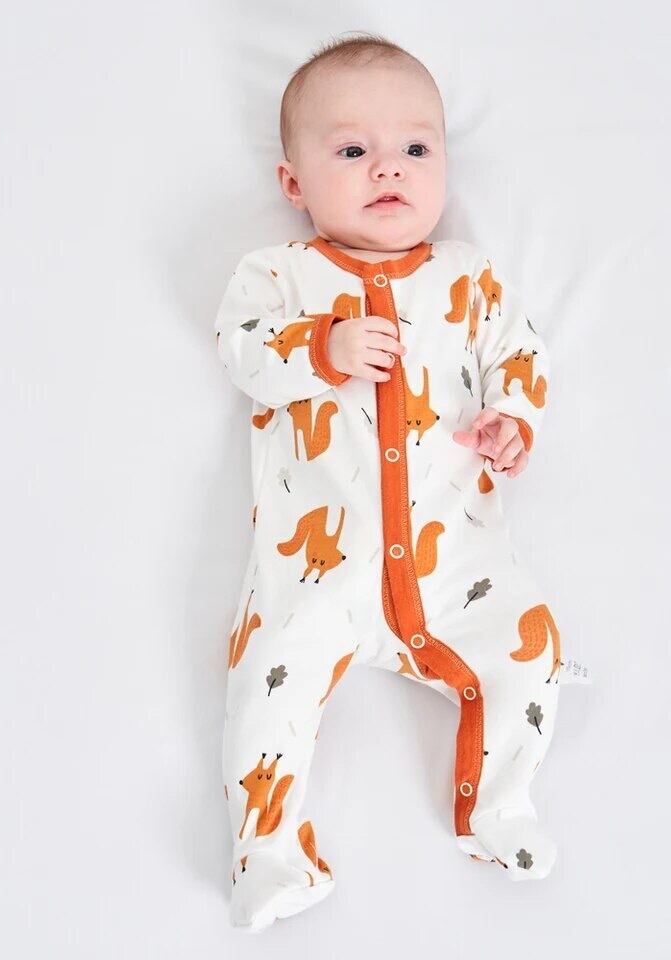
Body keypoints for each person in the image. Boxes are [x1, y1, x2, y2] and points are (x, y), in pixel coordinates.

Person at [214, 32, 564, 932]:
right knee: (265, 687)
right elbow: (243, 349)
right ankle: (268, 854)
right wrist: (321, 348)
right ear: (294, 184)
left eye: (415, 147)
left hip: (456, 565)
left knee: (531, 650)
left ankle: (500, 806)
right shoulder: (281, 276)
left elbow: (520, 353)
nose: (388, 169)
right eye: (351, 151)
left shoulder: (469, 277)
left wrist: (511, 418)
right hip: (313, 571)